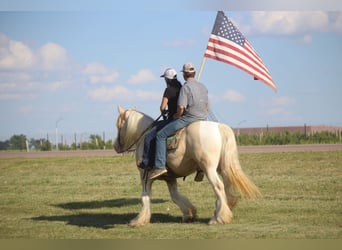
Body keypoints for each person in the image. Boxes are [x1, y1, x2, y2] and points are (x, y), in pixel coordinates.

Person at [149, 62, 209, 180]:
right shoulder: (203, 87)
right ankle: (201, 168)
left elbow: (181, 107)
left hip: (189, 118)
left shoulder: (185, 87)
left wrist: (177, 116)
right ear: (194, 73)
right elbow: (207, 107)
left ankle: (160, 166)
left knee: (160, 135)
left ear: (184, 74)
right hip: (203, 119)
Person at [139, 68, 182, 169]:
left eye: (165, 79)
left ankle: (147, 162)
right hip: (183, 119)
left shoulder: (168, 90)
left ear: (167, 79)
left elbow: (162, 107)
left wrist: (163, 112)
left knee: (149, 136)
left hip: (172, 119)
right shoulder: (182, 88)